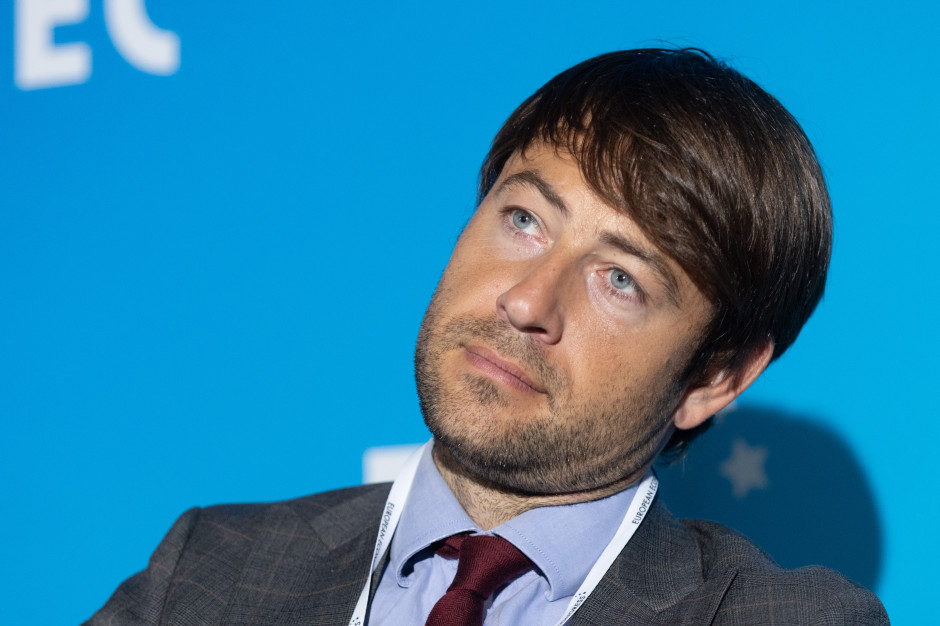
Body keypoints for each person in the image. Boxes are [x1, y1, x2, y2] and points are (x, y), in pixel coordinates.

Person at [87, 48, 889, 625]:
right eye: (525, 220)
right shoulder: (210, 571)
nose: (527, 300)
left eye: (620, 278)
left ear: (714, 378)